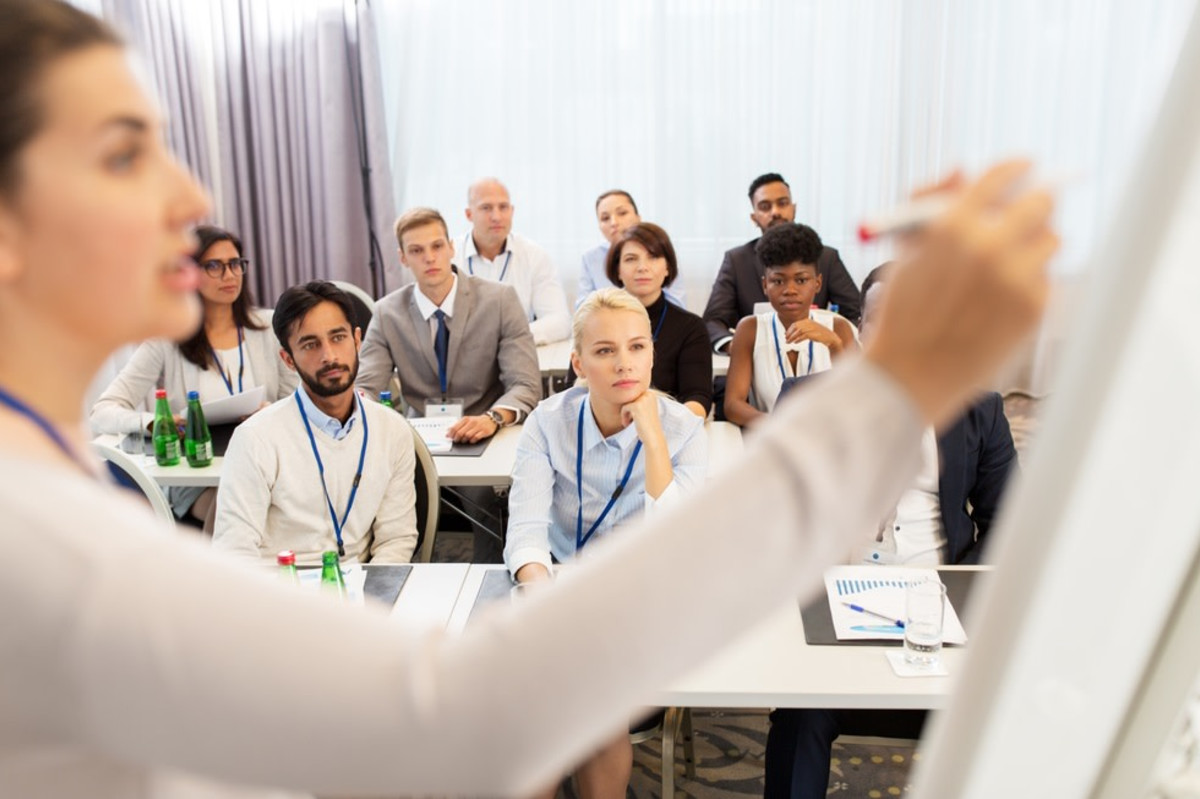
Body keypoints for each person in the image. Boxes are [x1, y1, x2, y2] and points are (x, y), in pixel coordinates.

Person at [0, 3, 1059, 795]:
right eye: (124, 152)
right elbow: (461, 717)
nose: (189, 195)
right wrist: (893, 389)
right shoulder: (38, 539)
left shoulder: (53, 478)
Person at [763, 260, 1020, 798]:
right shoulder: (807, 398)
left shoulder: (981, 408)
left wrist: (955, 596)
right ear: (860, 327)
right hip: (835, 598)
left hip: (938, 604)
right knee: (800, 713)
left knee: (998, 721)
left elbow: (1007, 523)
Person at [505, 288, 707, 797]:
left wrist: (654, 441)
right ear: (578, 363)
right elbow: (526, 532)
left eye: (637, 347)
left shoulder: (684, 430)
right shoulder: (548, 422)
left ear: (653, 354)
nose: (624, 364)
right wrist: (543, 595)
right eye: (604, 351)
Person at [358, 206, 541, 561]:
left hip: (485, 432)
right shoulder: (387, 312)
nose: (429, 258)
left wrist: (492, 418)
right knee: (387, 505)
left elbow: (525, 384)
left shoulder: (499, 300)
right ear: (402, 258)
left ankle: (491, 579)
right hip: (418, 437)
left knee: (490, 510)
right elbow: (365, 387)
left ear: (451, 247)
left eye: (437, 246)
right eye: (417, 250)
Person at [89, 224, 297, 528]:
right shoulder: (167, 339)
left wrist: (272, 411)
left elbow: (296, 401)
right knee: (232, 504)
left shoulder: (268, 327)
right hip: (199, 476)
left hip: (265, 462)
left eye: (235, 264)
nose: (229, 275)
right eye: (214, 266)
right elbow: (102, 412)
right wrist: (156, 423)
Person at [212, 281, 418, 566]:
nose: (329, 356)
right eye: (310, 345)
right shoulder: (255, 438)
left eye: (338, 337)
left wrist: (373, 589)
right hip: (279, 586)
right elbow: (235, 553)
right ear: (288, 359)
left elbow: (396, 539)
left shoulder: (392, 429)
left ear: (357, 340)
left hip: (361, 585)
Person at [702, 172, 862, 354]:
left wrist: (832, 342)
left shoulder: (825, 257)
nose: (775, 212)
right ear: (754, 217)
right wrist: (739, 347)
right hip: (753, 357)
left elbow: (857, 314)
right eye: (765, 207)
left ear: (793, 209)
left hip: (815, 355)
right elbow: (713, 321)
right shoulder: (737, 260)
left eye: (782, 203)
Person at [723, 223, 858, 427]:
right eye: (778, 281)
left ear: (818, 283)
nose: (790, 290)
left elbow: (855, 398)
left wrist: (835, 345)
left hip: (828, 438)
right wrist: (777, 425)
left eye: (801, 280)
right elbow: (733, 404)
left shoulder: (838, 328)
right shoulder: (750, 329)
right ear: (765, 285)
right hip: (771, 436)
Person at [605, 222, 712, 417]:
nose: (642, 267)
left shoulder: (690, 327)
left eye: (653, 257)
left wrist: (658, 427)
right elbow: (575, 391)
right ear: (618, 269)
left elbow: (698, 397)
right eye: (631, 259)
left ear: (667, 268)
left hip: (667, 427)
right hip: (605, 426)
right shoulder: (597, 321)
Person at [452, 177, 571, 344]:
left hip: (516, 351)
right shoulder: (450, 256)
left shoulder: (534, 255)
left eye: (503, 207)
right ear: (469, 214)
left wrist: (509, 338)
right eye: (486, 208)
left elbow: (559, 321)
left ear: (512, 211)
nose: (496, 216)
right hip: (466, 353)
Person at [577, 189, 687, 309]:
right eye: (605, 218)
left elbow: (677, 305)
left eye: (622, 213)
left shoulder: (660, 247)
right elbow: (583, 309)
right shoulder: (590, 258)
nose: (614, 223)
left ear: (638, 217)